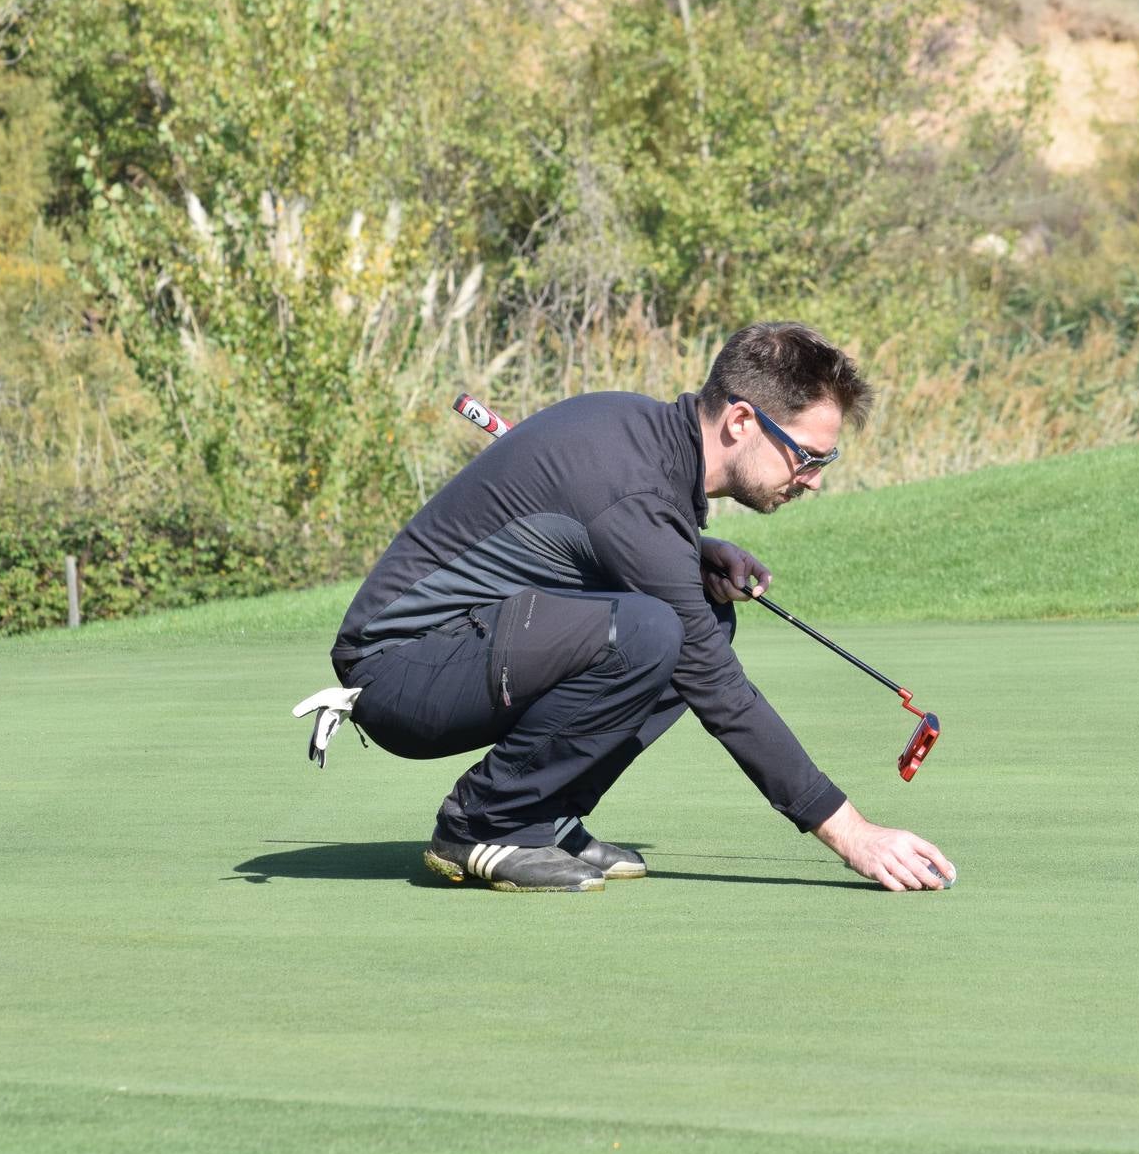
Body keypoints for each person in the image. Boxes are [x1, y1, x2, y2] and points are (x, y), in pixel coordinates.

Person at [329, 321, 956, 893]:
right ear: (741, 423)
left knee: (701, 615)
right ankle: (486, 824)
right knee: (657, 631)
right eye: (808, 456)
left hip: (472, 646)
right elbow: (718, 689)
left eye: (827, 459)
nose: (814, 478)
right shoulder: (635, 487)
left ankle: (545, 813)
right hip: (401, 672)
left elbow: (602, 526)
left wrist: (694, 548)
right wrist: (853, 834)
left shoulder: (640, 433)